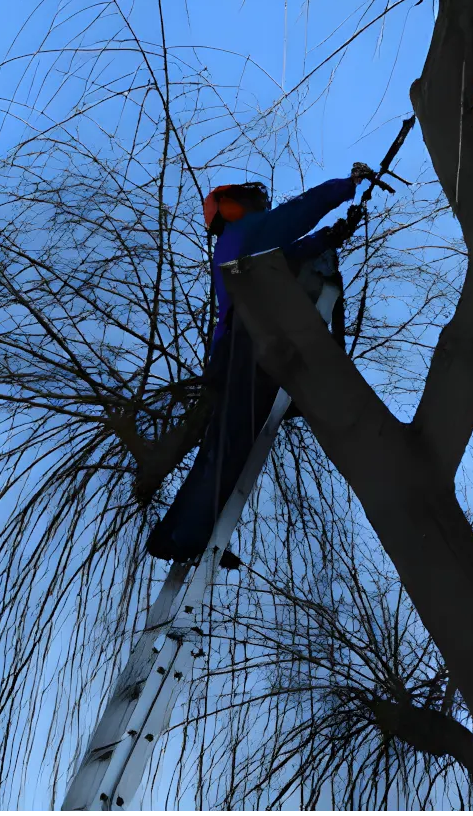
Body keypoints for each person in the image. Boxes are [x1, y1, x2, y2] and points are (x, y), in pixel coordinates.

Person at [145, 167, 374, 562]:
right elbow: (298, 213)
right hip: (246, 346)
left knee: (229, 447)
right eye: (252, 202)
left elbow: (288, 256)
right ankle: (183, 536)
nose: (259, 207)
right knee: (229, 446)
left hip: (238, 351)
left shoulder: (241, 245)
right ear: (232, 208)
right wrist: (348, 185)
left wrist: (331, 235)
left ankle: (185, 532)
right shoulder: (244, 232)